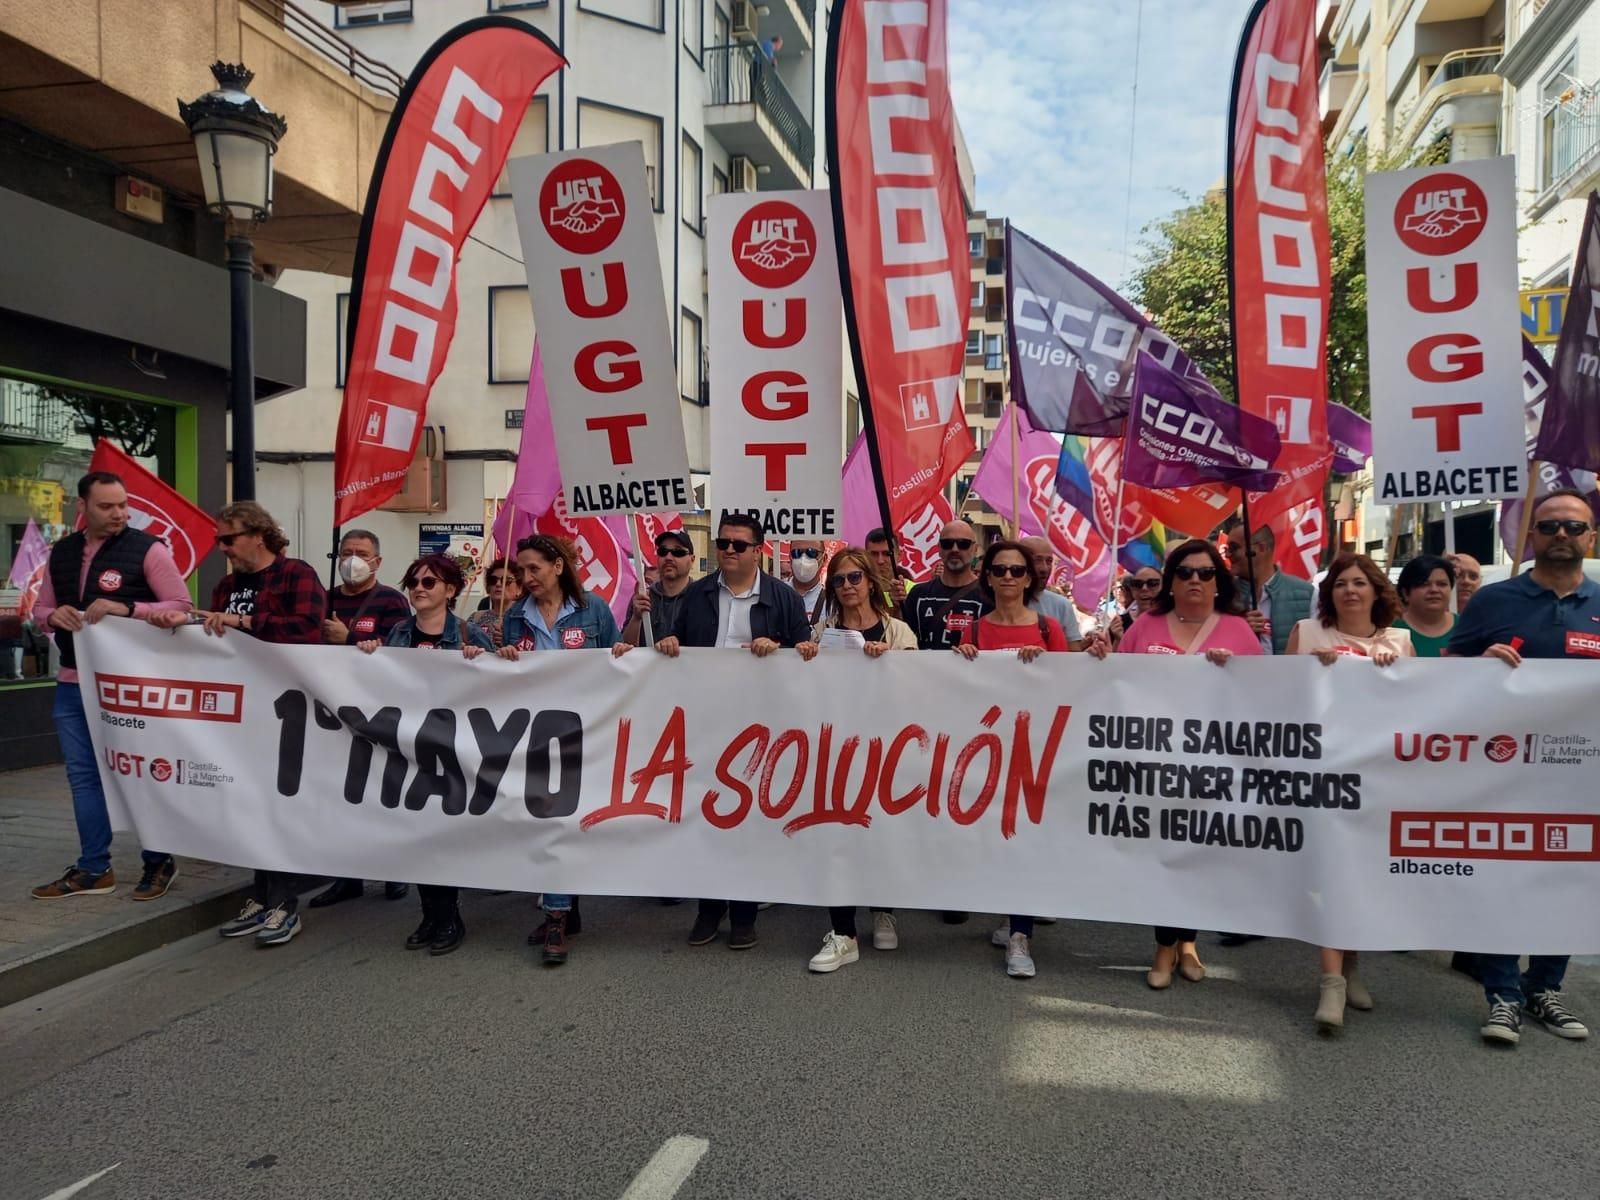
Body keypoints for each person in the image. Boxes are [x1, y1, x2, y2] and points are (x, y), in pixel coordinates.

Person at [1447, 488, 1598, 1046]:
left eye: (1574, 527)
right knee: (1503, 876)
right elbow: (1447, 668)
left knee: (1566, 880)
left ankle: (1545, 988)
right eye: (1550, 525)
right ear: (1530, 535)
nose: (1562, 535)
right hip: (1505, 771)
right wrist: (1478, 666)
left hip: (1580, 779)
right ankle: (1503, 995)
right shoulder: (1493, 600)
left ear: (1591, 538)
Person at [633, 512, 816, 950]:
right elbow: (671, 642)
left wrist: (784, 650)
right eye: (723, 543)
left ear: (758, 550)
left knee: (748, 820)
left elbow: (805, 653)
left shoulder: (783, 598)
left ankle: (745, 914)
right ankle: (709, 909)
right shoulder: (697, 595)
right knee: (707, 818)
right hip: (705, 723)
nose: (729, 551)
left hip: (760, 727)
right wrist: (668, 643)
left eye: (738, 544)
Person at [1089, 538, 1262, 985]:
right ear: (1172, 581)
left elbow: (1262, 698)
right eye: (1185, 573)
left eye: (1205, 573)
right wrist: (1099, 657)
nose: (1195, 581)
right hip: (1153, 766)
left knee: (1199, 855)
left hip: (1214, 766)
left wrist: (1233, 675)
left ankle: (1188, 941)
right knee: (1163, 855)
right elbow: (1115, 683)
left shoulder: (1238, 631)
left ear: (1218, 581)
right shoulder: (1146, 626)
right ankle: (1165, 948)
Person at [153, 502, 326, 946]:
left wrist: (244, 620)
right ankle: (264, 897)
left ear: (259, 534)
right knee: (249, 807)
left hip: (286, 709)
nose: (222, 548)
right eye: (218, 540)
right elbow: (214, 642)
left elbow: (308, 630)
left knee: (278, 807)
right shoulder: (227, 585)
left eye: (228, 539)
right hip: (241, 709)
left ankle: (286, 905)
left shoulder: (296, 574)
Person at [29, 471, 193, 903]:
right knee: (84, 778)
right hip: (72, 681)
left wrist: (127, 608)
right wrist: (53, 616)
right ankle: (93, 868)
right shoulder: (61, 552)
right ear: (82, 507)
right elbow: (40, 608)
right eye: (107, 506)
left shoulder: (149, 549)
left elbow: (181, 607)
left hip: (131, 686)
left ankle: (159, 861)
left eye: (123, 504)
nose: (119, 513)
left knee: (139, 773)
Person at [1287, 552, 1412, 1034]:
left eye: (1359, 582)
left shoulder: (1400, 642)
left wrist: (1391, 672)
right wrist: (1312, 673)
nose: (1350, 591)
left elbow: (1415, 709)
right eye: (1341, 584)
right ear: (1329, 593)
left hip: (1377, 776)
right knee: (1331, 871)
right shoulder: (1309, 632)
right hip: (1323, 772)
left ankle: (1351, 963)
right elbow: (1278, 698)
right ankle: (1331, 981)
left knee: (1360, 875)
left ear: (1376, 591)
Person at [356, 554, 493, 955]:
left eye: (429, 583)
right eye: (413, 582)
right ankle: (429, 915)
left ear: (451, 591)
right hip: (409, 753)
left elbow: (500, 690)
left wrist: (480, 662)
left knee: (443, 836)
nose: (419, 588)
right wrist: (367, 654)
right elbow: (376, 684)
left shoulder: (468, 634)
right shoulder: (397, 634)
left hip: (454, 755)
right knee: (418, 837)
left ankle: (449, 916)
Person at [951, 540, 1073, 980]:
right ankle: (1008, 915)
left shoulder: (1047, 631)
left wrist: (1044, 668)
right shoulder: (977, 632)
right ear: (988, 577)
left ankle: (1021, 935)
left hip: (1034, 751)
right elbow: (962, 694)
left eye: (1016, 571)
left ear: (1029, 578)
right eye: (999, 570)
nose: (1007, 577)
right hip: (987, 753)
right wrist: (962, 659)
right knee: (995, 837)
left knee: (1023, 838)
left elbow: (1068, 691)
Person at [498, 533, 620, 964]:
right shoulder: (515, 616)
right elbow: (503, 676)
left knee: (567, 820)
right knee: (550, 820)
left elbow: (620, 664)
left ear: (558, 567)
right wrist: (501, 655)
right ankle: (560, 911)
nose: (527, 577)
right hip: (535, 735)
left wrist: (623, 653)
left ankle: (559, 913)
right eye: (522, 570)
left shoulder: (595, 611)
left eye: (535, 568)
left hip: (588, 731)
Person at [806, 548, 916, 973]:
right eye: (839, 580)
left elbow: (919, 687)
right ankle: (843, 933)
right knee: (837, 837)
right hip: (836, 751)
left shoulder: (900, 631)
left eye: (855, 578)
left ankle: (884, 910)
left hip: (886, 750)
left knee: (882, 832)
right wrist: (804, 658)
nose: (848, 586)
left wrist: (892, 662)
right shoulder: (823, 632)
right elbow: (806, 689)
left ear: (871, 581)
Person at [312, 528, 413, 910]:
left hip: (379, 711)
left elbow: (400, 651)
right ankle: (347, 875)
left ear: (377, 562)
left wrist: (349, 637)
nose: (352, 559)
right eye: (347, 551)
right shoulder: (325, 599)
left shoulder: (391, 601)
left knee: (385, 791)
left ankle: (395, 871)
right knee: (343, 795)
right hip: (334, 713)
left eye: (361, 552)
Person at [1226, 517, 1314, 655]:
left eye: (1233, 548)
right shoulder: (1223, 594)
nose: (1227, 554)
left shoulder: (1307, 594)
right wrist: (1240, 631)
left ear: (1260, 548)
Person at [904, 519, 988, 652]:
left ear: (975, 549)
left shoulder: (989, 596)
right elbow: (902, 640)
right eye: (947, 544)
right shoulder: (918, 594)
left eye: (963, 544)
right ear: (939, 549)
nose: (955, 549)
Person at [618, 528, 696, 650]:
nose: (669, 557)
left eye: (678, 552)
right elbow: (627, 649)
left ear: (692, 560)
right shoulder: (644, 597)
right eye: (663, 551)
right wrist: (636, 618)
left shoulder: (702, 597)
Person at [1020, 536, 1084, 648]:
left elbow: (1073, 657)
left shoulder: (1062, 605)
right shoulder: (998, 600)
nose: (1044, 568)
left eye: (1049, 561)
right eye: (1037, 560)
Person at [1394, 553, 1456, 658]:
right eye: (1424, 584)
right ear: (1405, 593)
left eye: (1442, 584)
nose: (1434, 590)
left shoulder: (1467, 627)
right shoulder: (1390, 632)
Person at [466, 557, 524, 649]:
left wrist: (508, 642)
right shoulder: (476, 618)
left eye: (506, 580)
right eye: (493, 580)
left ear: (519, 588)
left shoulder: (525, 619)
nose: (498, 584)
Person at [1108, 565, 1162, 649]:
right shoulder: (1120, 624)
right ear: (1132, 590)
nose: (1144, 588)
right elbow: (1109, 660)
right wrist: (1119, 640)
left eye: (1152, 583)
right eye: (1138, 584)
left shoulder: (1175, 622)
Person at [864, 527, 912, 617]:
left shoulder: (914, 590)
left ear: (899, 555)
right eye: (874, 554)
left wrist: (902, 606)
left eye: (887, 554)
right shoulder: (857, 589)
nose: (880, 561)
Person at [786, 538, 829, 633]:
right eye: (797, 553)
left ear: (824, 558)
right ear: (790, 557)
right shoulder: (775, 594)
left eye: (812, 553)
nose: (803, 559)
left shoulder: (831, 602)